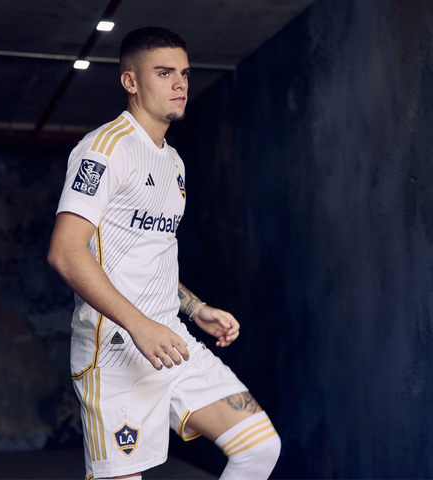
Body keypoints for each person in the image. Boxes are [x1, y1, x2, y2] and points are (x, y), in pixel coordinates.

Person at [48, 26, 281, 480]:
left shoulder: (173, 162)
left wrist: (196, 309)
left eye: (184, 73)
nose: (180, 84)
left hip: (170, 341)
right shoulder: (103, 150)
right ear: (130, 81)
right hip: (115, 353)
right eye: (163, 72)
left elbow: (145, 259)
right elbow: (66, 252)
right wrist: (139, 325)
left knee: (259, 447)